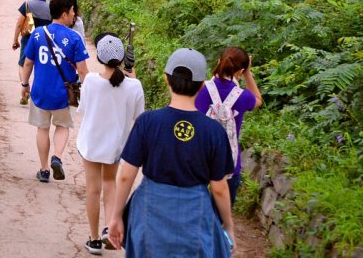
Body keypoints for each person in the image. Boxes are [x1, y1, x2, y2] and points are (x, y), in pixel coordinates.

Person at [107, 48, 235, 258]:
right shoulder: (214, 131)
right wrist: (228, 226)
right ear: (202, 86)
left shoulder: (148, 122)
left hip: (151, 207)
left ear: (167, 79)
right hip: (196, 212)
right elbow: (219, 188)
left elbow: (125, 175)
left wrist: (116, 216)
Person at [77, 33, 145, 255]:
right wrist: (132, 76)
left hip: (91, 143)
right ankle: (109, 227)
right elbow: (138, 116)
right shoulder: (134, 86)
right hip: (116, 145)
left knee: (93, 190)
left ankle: (94, 239)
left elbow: (84, 109)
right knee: (110, 184)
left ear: (100, 58)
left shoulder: (90, 81)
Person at [19, 0, 89, 182]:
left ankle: (43, 170)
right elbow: (82, 70)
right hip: (62, 94)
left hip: (40, 91)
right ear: (65, 14)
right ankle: (57, 157)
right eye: (73, 11)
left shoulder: (38, 33)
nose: (74, 15)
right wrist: (89, 91)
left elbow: (28, 63)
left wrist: (25, 84)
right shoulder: (74, 37)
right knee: (62, 126)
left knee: (42, 129)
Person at [195, 46, 263, 204]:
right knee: (220, 218)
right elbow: (258, 100)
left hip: (198, 159)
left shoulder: (201, 88)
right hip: (229, 163)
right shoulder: (243, 96)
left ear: (219, 62)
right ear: (240, 71)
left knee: (193, 209)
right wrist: (248, 74)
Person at [12, 0, 52, 102]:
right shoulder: (51, 7)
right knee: (41, 65)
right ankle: (40, 92)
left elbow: (19, 23)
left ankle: (25, 86)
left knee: (23, 64)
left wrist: (15, 39)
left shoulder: (27, 4)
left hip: (28, 38)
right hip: (44, 40)